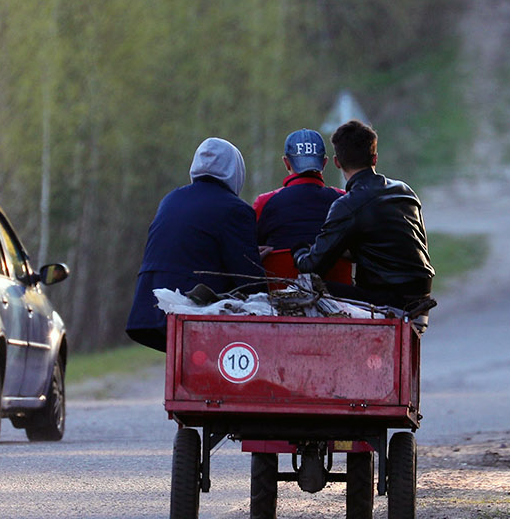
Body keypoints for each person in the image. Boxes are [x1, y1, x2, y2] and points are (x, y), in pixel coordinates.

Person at [125, 137, 264, 351]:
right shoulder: (235, 209)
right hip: (190, 310)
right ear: (236, 171)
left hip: (149, 305)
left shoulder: (171, 199)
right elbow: (250, 280)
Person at [294, 119, 434, 311]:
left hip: (390, 301)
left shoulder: (348, 204)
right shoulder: (405, 191)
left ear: (336, 162)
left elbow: (311, 266)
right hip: (422, 294)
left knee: (307, 287)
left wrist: (299, 250)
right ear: (374, 158)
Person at [252, 128, 343, 254]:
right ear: (324, 163)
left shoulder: (264, 203)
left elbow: (250, 247)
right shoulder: (344, 200)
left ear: (287, 163)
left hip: (278, 273)